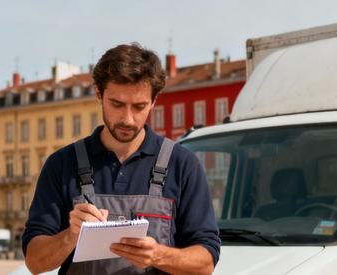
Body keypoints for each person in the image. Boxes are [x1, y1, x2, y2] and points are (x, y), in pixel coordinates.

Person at [22, 43, 221, 275]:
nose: (128, 118)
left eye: (139, 106)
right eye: (117, 104)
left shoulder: (183, 165)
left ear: (154, 101)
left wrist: (158, 254)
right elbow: (34, 262)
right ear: (99, 94)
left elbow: (206, 262)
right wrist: (71, 236)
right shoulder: (62, 165)